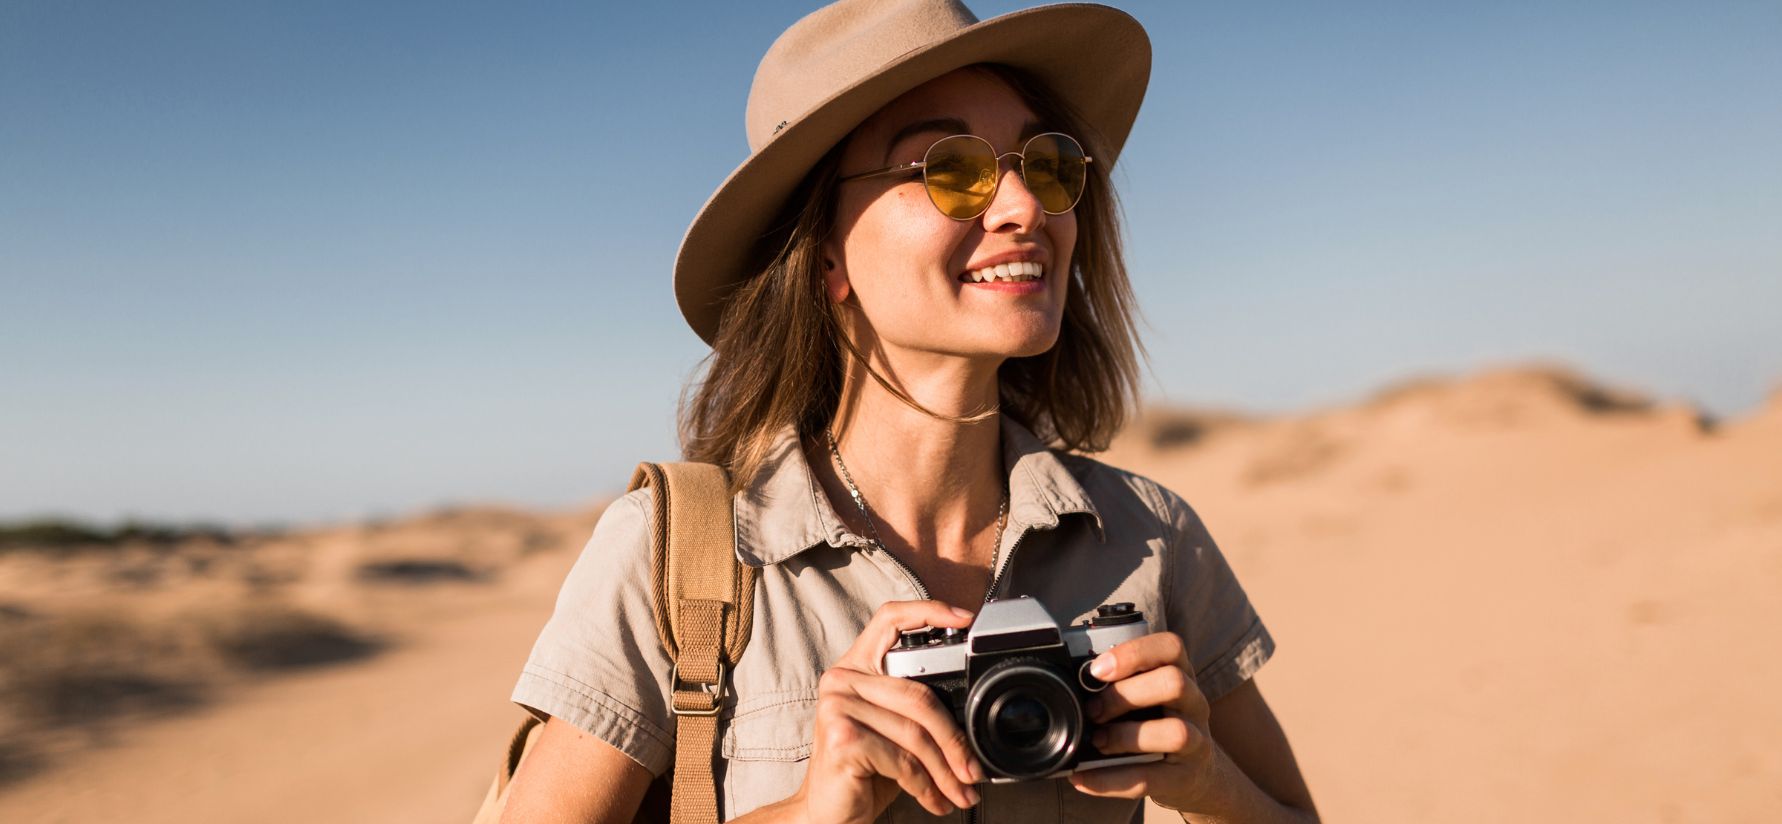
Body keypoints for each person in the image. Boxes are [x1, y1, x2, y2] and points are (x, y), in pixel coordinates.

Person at [500, 1, 1318, 821]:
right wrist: (814, 809)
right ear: (825, 254)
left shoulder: (1150, 538)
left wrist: (1209, 783)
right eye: (949, 169)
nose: (1025, 208)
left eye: (1047, 166)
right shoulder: (677, 564)